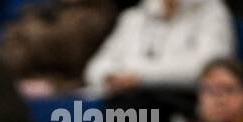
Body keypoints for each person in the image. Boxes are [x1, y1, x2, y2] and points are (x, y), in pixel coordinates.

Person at [84, 0, 237, 102]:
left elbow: (211, 68)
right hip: (119, 95)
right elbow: (96, 66)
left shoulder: (212, 11)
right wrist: (110, 77)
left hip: (178, 99)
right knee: (68, 109)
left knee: (125, 111)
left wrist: (140, 77)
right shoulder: (135, 16)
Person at [0, 0, 117, 97]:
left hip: (68, 86)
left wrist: (24, 34)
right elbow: (8, 56)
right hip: (24, 81)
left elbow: (68, 52)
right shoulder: (43, 11)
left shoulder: (100, 15)